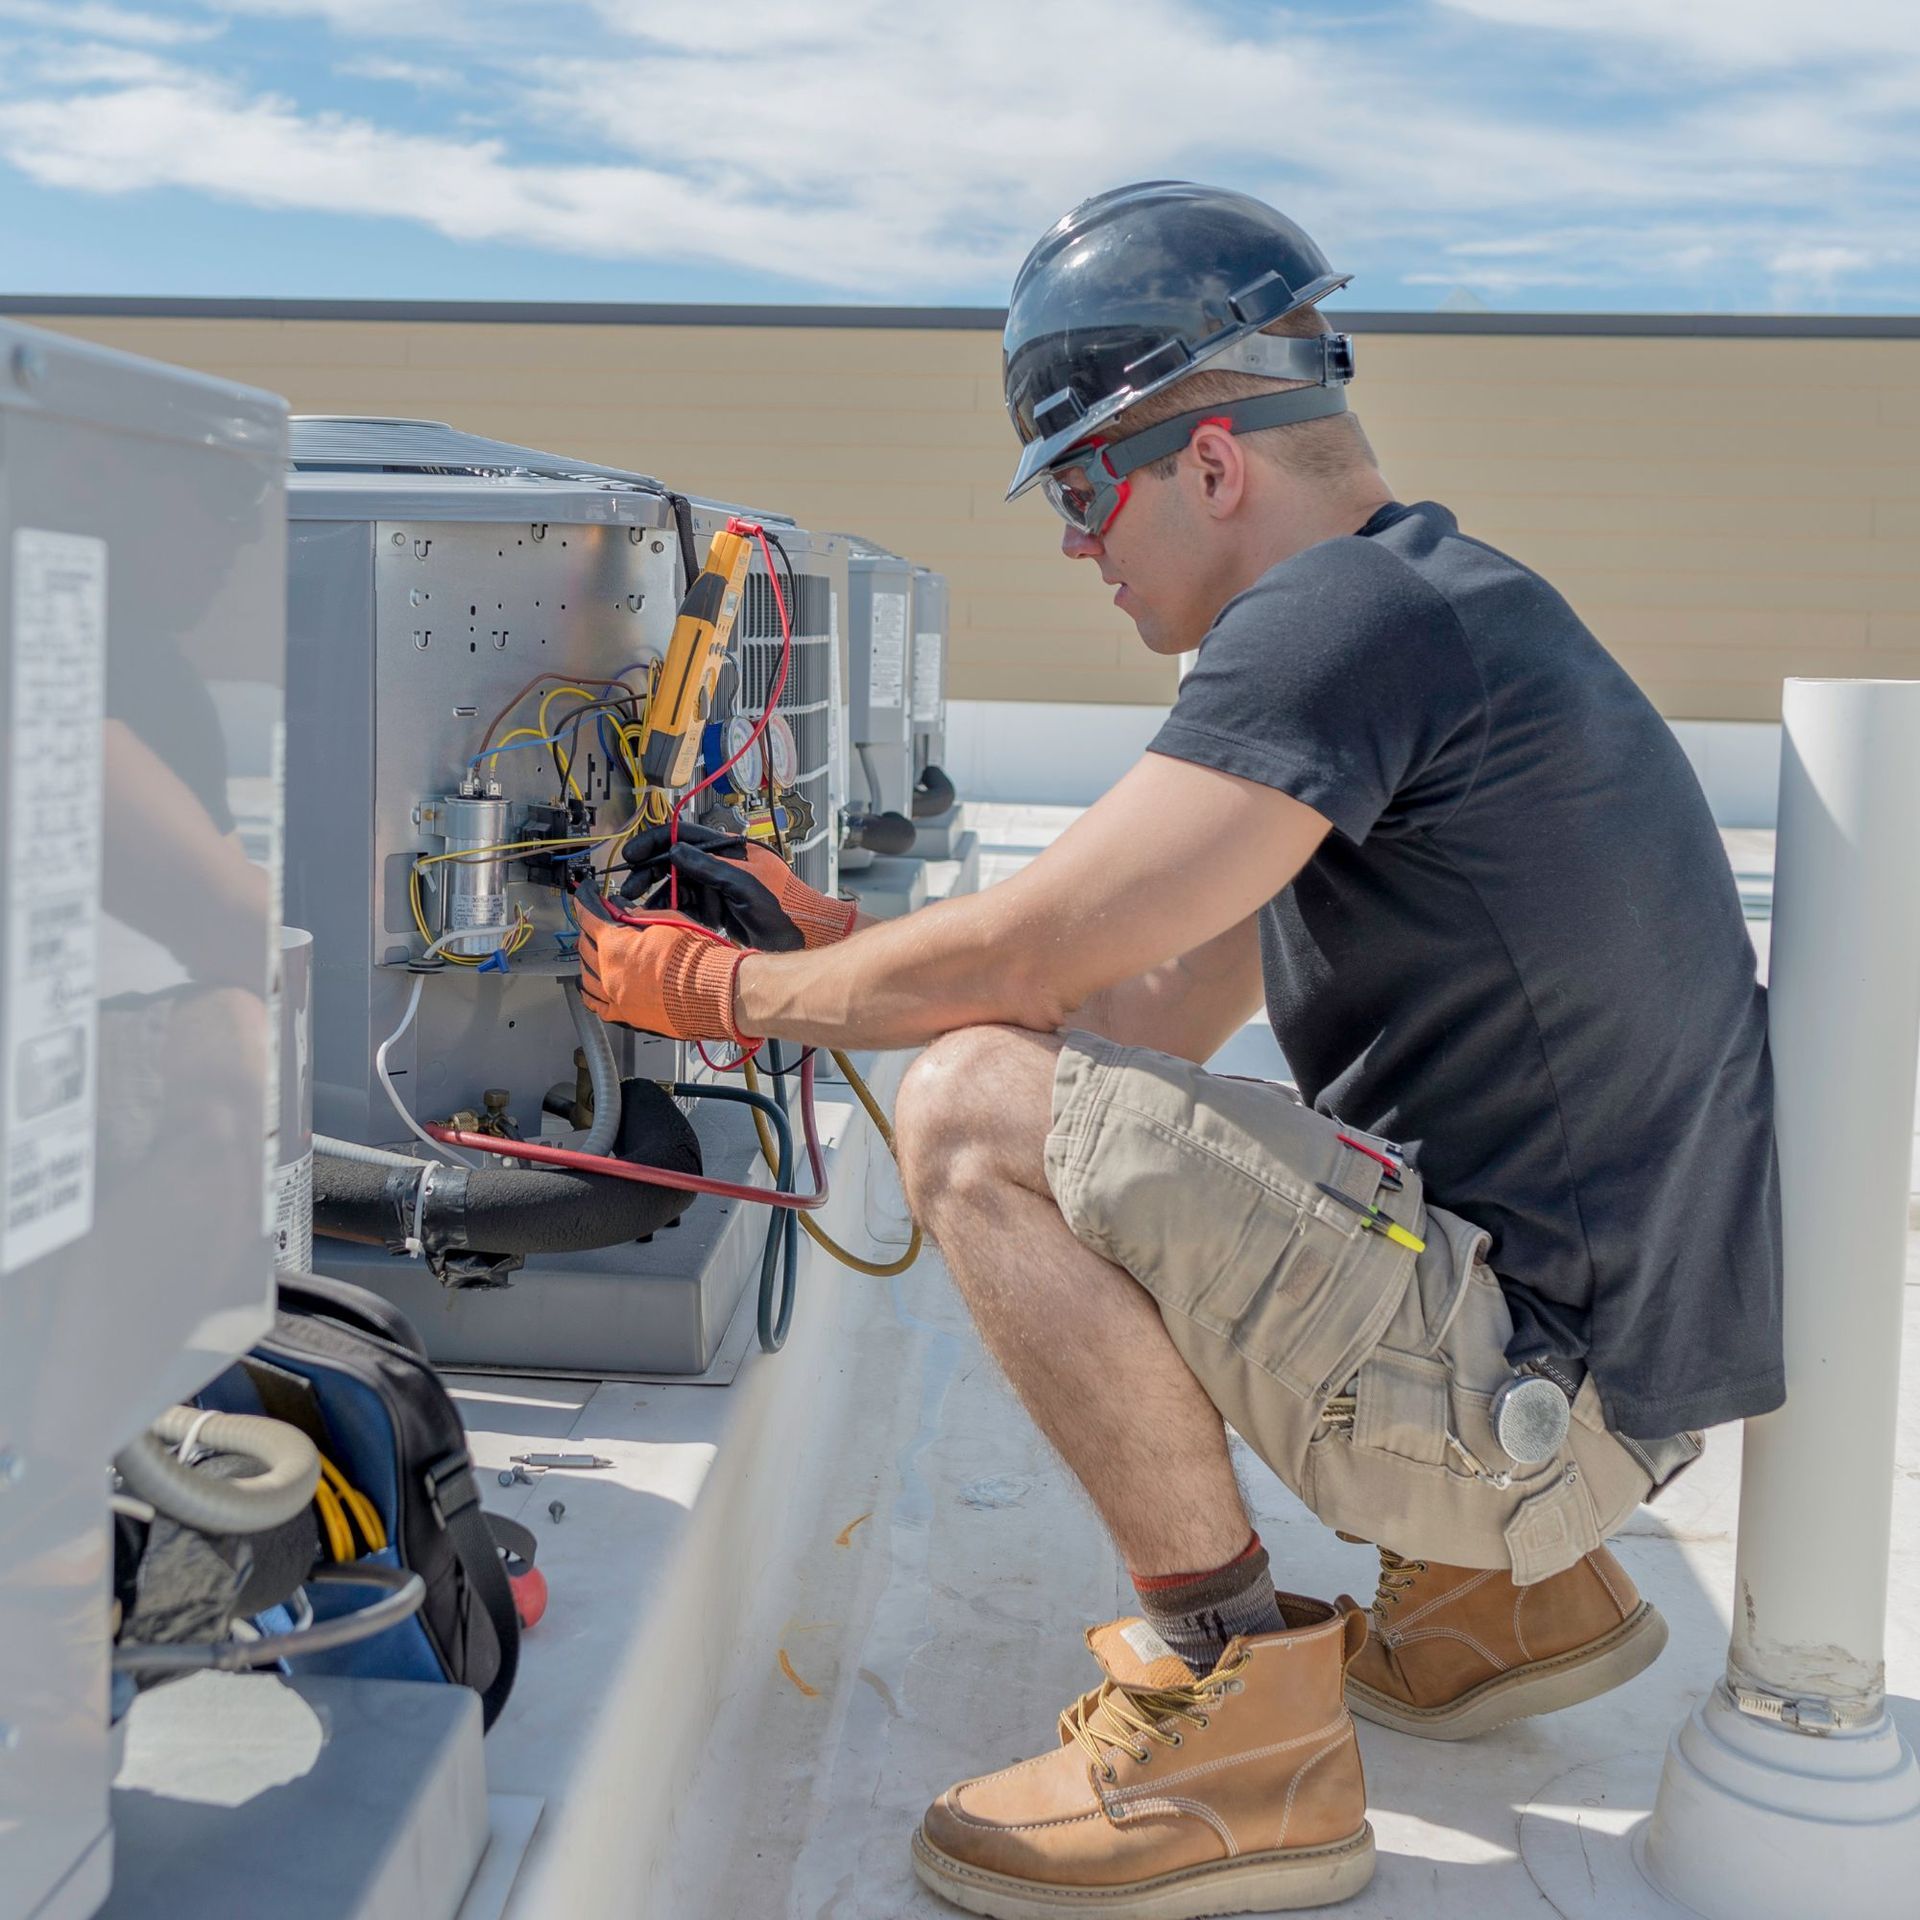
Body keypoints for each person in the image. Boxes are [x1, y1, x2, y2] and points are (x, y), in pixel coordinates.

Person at [580, 181, 1783, 1919]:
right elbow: (1139, 1007)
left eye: (1079, 483)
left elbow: (1034, 960)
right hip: (1604, 1383)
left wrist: (717, 993)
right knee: (1042, 1082)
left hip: (1534, 1403)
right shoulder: (1438, 611)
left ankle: (1234, 1721)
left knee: (975, 1117)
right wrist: (850, 950)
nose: (1073, 538)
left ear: (1213, 460)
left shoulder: (1328, 625)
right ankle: (1503, 1599)